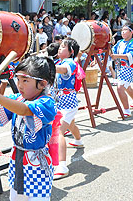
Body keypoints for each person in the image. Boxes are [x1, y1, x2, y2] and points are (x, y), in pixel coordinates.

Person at [0, 56, 57, 201]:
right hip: (18, 158)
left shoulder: (47, 103)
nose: (20, 85)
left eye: (25, 80)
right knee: (16, 197)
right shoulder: (19, 98)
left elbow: (25, 110)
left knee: (37, 198)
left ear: (42, 84)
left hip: (36, 163)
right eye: (18, 79)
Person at [53, 38, 84, 180]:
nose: (60, 49)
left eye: (63, 47)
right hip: (62, 101)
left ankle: (62, 166)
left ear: (71, 52)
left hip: (68, 102)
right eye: (60, 46)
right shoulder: (60, 62)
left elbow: (64, 70)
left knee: (58, 131)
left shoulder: (69, 63)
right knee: (70, 124)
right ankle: (78, 140)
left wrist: (47, 66)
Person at [110, 22, 133, 118]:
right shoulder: (120, 42)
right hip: (121, 68)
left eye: (125, 30)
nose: (122, 32)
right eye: (122, 30)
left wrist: (116, 56)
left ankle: (126, 111)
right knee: (127, 87)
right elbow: (112, 52)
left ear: (131, 32)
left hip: (129, 68)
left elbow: (131, 56)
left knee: (120, 88)